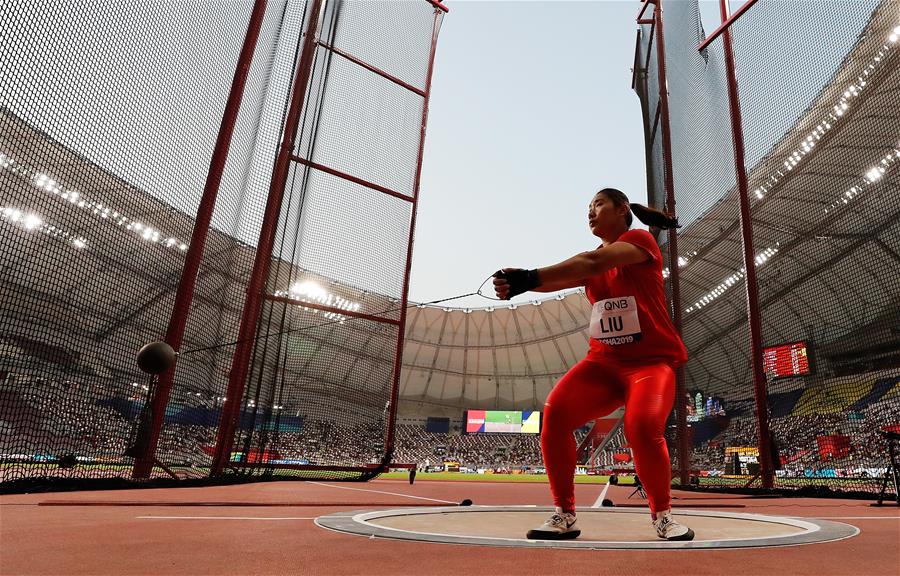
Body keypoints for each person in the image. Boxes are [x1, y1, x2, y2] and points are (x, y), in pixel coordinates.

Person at [493, 188, 694, 541]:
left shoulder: (639, 240)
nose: (590, 212)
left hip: (649, 364)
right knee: (554, 415)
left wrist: (529, 276)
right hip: (602, 365)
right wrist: (519, 285)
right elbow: (566, 276)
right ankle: (564, 514)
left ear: (621, 211)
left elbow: (590, 264)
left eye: (597, 205)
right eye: (587, 207)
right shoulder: (595, 258)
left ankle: (663, 516)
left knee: (643, 426)